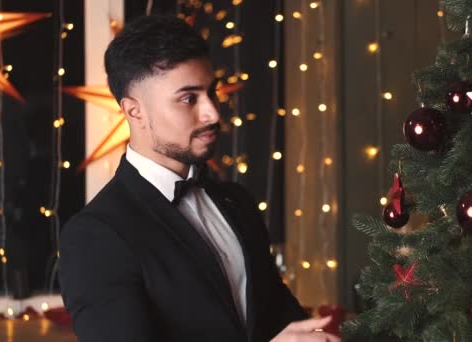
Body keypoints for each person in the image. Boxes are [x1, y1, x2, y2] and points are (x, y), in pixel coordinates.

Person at [58, 15, 340, 342]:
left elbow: (282, 322)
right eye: (188, 98)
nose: (213, 113)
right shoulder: (95, 235)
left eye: (211, 92)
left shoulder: (238, 202)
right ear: (134, 111)